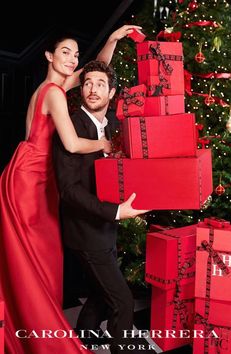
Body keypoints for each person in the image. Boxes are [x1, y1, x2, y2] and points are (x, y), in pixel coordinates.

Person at [0, 25, 141, 354]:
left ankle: (32, 323)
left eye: (75, 54)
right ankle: (37, 328)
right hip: (29, 180)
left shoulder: (57, 85)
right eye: (65, 52)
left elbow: (96, 73)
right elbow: (73, 143)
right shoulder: (53, 92)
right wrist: (105, 144)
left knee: (37, 260)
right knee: (31, 257)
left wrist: (113, 40)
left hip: (38, 176)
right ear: (49, 55)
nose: (72, 59)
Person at [52, 60, 149, 354]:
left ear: (112, 92)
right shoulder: (71, 125)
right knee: (122, 301)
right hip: (86, 230)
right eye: (88, 83)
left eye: (100, 84)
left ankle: (84, 339)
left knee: (99, 291)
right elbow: (69, 191)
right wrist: (117, 211)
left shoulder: (115, 125)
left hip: (107, 226)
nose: (93, 90)